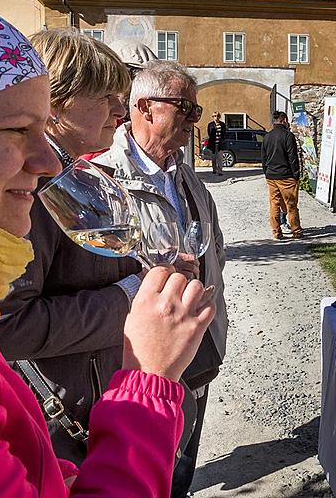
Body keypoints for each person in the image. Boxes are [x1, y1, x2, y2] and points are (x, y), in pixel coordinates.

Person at [0, 4, 214, 495]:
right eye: (16, 128)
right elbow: (9, 324)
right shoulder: (31, 199)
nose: (121, 109)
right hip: (85, 413)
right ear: (63, 103)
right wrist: (137, 324)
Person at [0, 27, 150, 464]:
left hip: (88, 403)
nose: (121, 110)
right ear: (53, 103)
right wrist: (131, 298)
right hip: (59, 426)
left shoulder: (73, 172)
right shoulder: (28, 186)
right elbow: (4, 326)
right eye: (106, 97)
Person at [94, 60, 228, 497]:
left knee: (183, 463)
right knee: (146, 472)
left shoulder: (184, 173)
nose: (196, 119)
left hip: (195, 348)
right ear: (146, 107)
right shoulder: (100, 180)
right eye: (186, 108)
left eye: (196, 109)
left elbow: (216, 249)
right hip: (139, 362)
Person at [262, 110, 303, 240]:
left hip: (271, 175)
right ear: (284, 120)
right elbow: (292, 157)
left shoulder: (267, 137)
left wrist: (266, 172)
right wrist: (296, 174)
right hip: (286, 176)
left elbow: (263, 158)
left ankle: (276, 232)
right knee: (291, 205)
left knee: (274, 204)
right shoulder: (288, 135)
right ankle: (296, 231)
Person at [207, 111, 227, 176]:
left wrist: (223, 140)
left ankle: (220, 171)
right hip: (213, 144)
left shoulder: (222, 124)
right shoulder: (210, 124)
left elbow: (224, 133)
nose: (216, 117)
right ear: (213, 117)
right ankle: (214, 170)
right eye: (215, 116)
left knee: (220, 158)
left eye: (217, 116)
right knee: (213, 158)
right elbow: (209, 133)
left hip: (220, 144)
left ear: (219, 117)